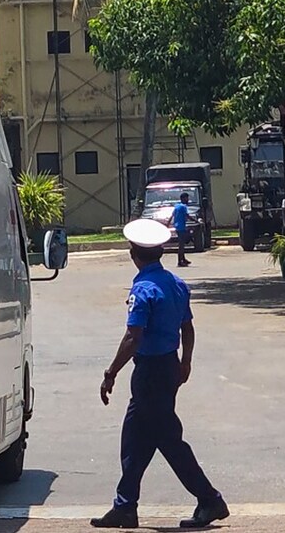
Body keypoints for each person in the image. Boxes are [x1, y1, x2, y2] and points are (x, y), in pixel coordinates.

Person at [91, 219, 228, 529]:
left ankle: (210, 499)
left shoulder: (143, 289)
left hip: (150, 372)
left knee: (167, 440)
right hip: (168, 366)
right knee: (134, 439)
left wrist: (111, 372)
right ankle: (125, 505)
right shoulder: (176, 284)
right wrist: (185, 362)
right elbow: (187, 327)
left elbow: (133, 337)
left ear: (133, 254)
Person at [167, 192, 193, 268]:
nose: (188, 200)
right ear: (183, 198)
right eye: (187, 198)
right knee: (181, 245)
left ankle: (183, 259)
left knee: (182, 244)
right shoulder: (183, 207)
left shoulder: (177, 206)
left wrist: (168, 224)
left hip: (177, 227)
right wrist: (196, 221)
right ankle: (179, 261)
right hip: (181, 227)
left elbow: (172, 216)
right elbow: (187, 216)